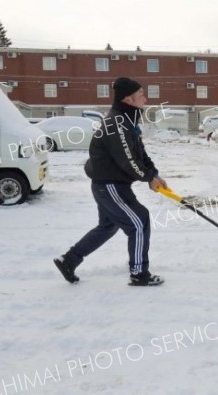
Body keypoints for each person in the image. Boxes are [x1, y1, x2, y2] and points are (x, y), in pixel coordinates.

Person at [54, 77, 168, 286]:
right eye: (141, 94)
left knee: (108, 226)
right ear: (128, 99)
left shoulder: (127, 121)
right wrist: (148, 178)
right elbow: (128, 160)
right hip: (109, 185)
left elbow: (140, 153)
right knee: (139, 221)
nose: (145, 98)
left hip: (111, 185)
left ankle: (68, 260)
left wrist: (154, 174)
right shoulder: (117, 123)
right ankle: (139, 273)